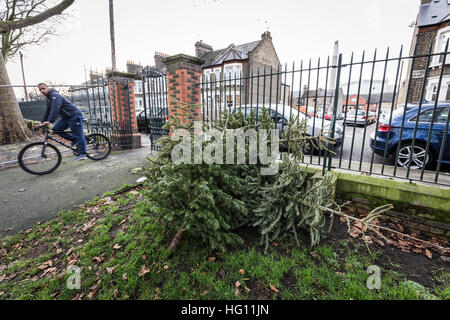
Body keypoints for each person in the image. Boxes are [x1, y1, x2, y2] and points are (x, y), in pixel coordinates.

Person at [38, 83, 87, 161]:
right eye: (40, 89)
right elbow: (47, 112)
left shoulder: (55, 95)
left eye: (43, 88)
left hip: (74, 116)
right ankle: (74, 140)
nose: (42, 90)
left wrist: (50, 121)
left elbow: (55, 108)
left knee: (78, 135)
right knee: (55, 129)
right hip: (66, 117)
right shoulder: (48, 99)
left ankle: (82, 154)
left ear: (48, 88)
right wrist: (42, 122)